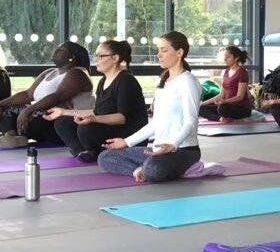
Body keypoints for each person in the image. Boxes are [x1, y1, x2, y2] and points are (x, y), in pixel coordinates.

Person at [98, 31, 201, 183]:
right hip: (158, 150)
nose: (159, 55)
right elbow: (155, 123)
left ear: (179, 52)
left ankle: (151, 168)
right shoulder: (163, 83)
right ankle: (139, 170)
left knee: (154, 170)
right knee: (105, 157)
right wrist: (126, 142)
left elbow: (190, 121)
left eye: (164, 50)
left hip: (183, 150)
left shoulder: (188, 82)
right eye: (158, 50)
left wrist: (173, 145)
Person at [43, 40, 147, 162]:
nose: (96, 60)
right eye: (95, 56)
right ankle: (83, 151)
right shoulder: (103, 81)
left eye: (101, 56)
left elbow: (121, 118)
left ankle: (96, 152)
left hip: (128, 133)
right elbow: (96, 112)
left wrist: (94, 119)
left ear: (115, 58)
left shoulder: (126, 81)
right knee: (63, 122)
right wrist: (63, 112)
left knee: (86, 129)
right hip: (107, 127)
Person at [0, 41, 94, 148]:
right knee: (7, 108)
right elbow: (28, 94)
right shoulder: (49, 72)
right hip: (44, 118)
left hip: (65, 123)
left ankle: (16, 136)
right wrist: (1, 104)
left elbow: (57, 96)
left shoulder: (78, 73)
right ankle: (11, 137)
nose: (56, 51)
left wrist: (28, 110)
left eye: (61, 49)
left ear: (72, 58)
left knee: (36, 114)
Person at [199, 46, 252, 122]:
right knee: (201, 108)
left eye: (228, 57)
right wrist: (202, 103)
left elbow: (240, 96)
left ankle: (224, 117)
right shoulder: (226, 72)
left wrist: (224, 101)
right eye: (225, 57)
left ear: (236, 58)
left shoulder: (242, 72)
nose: (225, 59)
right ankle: (221, 119)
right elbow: (221, 95)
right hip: (226, 106)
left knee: (222, 108)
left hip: (241, 108)